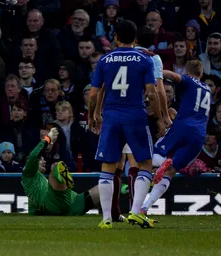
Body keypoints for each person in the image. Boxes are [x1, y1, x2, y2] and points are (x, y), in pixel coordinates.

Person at [88, 20, 164, 229]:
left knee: (108, 167)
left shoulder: (105, 60)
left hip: (111, 116)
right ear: (135, 39)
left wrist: (92, 114)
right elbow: (151, 92)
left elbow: (94, 94)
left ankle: (105, 219)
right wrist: (159, 117)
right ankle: (135, 211)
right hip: (135, 115)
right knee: (145, 163)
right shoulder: (144, 60)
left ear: (115, 37)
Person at [141, 60, 211, 215]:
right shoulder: (208, 90)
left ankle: (161, 163)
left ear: (187, 71)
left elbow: (170, 75)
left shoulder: (189, 80)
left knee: (152, 157)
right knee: (171, 171)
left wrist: (154, 73)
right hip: (199, 135)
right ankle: (146, 206)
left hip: (183, 126)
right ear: (201, 73)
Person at [21, 128, 100, 216]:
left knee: (103, 189)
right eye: (40, 160)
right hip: (55, 204)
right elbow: (33, 156)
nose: (44, 162)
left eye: (43, 159)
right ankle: (61, 175)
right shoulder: (28, 175)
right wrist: (47, 139)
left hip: (74, 204)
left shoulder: (37, 182)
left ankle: (114, 212)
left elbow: (33, 209)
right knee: (55, 167)